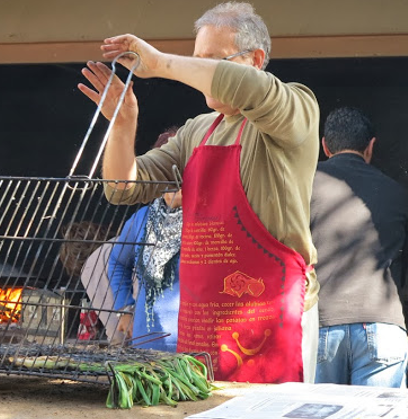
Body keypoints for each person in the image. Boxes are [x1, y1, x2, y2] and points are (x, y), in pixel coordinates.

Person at [78, 2, 320, 383]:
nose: (200, 72)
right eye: (197, 60)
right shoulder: (196, 131)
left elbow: (247, 88)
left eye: (213, 61)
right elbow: (122, 187)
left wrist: (160, 64)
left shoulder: (294, 109)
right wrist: (123, 126)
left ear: (256, 59)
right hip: (203, 323)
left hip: (271, 321)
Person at [311, 107, 408, 388]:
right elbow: (404, 262)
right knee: (378, 410)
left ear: (325, 146)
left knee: (320, 409)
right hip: (384, 324)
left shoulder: (304, 185)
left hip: (322, 324)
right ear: (370, 146)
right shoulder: (397, 191)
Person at [107, 128, 182, 352]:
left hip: (195, 346)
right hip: (145, 342)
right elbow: (117, 263)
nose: (174, 180)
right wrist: (124, 309)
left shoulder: (211, 219)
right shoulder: (142, 219)